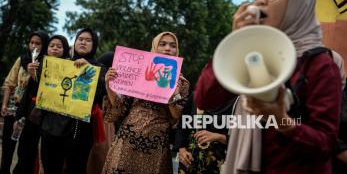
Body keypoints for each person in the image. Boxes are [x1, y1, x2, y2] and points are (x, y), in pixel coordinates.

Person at [196, 0, 342, 173]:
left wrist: (282, 121)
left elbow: (325, 144)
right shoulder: (252, 50)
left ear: (298, 4)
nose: (261, 1)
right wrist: (234, 40)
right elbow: (205, 98)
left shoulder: (320, 64)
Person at [102, 31, 190, 174]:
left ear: (177, 51)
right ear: (154, 47)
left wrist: (171, 96)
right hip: (127, 140)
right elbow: (120, 108)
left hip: (156, 144)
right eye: (163, 44)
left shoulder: (181, 82)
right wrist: (109, 86)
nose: (168, 48)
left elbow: (176, 117)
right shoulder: (139, 72)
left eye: (172, 46)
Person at [39, 28, 105, 174]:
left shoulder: (99, 68)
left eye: (88, 40)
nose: (83, 42)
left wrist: (89, 70)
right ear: (74, 43)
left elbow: (101, 93)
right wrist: (35, 72)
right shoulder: (61, 63)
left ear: (94, 45)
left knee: (76, 168)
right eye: (80, 39)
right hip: (52, 126)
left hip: (79, 129)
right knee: (50, 166)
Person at [0, 31, 48, 174]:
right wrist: (4, 104)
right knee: (8, 145)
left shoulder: (46, 63)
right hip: (13, 107)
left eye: (38, 43)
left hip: (29, 110)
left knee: (25, 148)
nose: (33, 46)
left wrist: (34, 73)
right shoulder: (22, 59)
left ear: (43, 45)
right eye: (31, 42)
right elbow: (10, 83)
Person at [175, 93, 237, 174]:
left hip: (218, 163)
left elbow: (243, 140)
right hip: (189, 161)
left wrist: (218, 136)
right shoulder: (197, 96)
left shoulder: (237, 102)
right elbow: (182, 125)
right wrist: (182, 149)